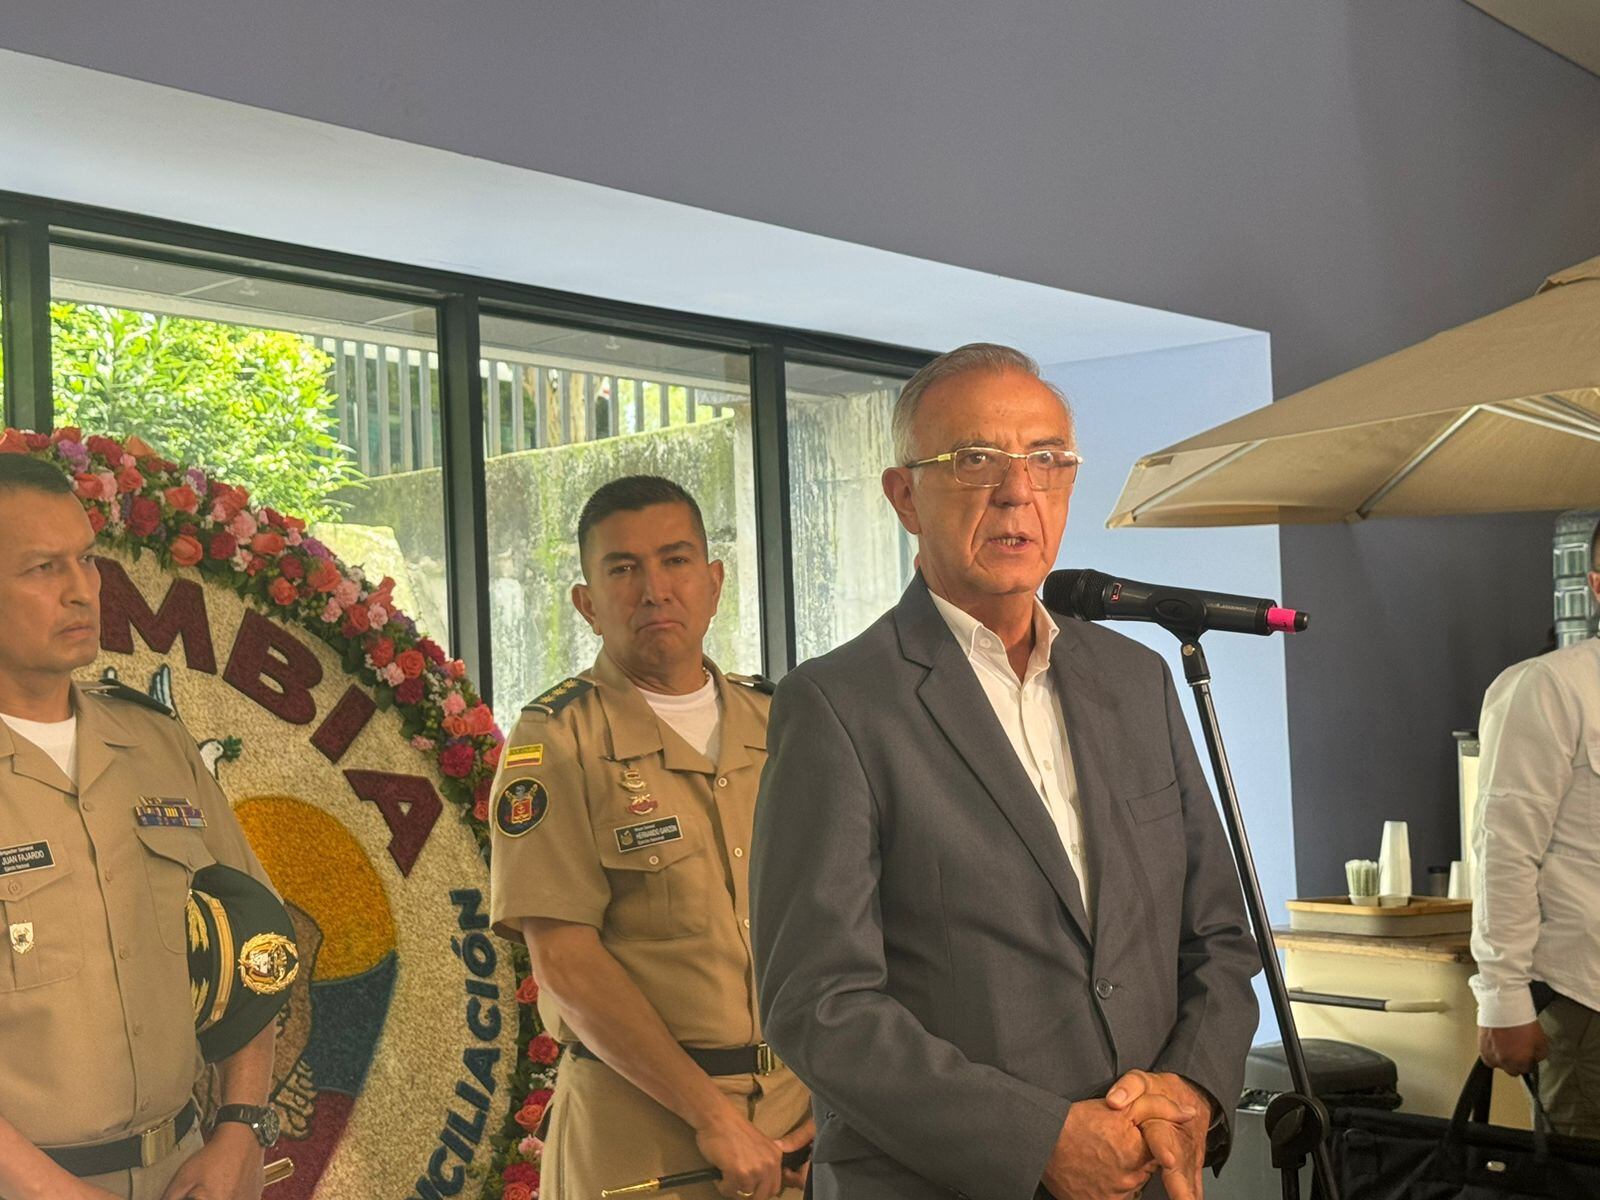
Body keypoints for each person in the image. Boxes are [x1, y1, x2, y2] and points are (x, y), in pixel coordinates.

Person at [750, 344, 1261, 1200]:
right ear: (903, 496)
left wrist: (1190, 1091)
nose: (1017, 490)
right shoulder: (837, 705)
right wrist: (1040, 1141)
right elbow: (820, 1007)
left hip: (1145, 1175)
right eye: (974, 459)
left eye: (1048, 460)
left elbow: (1216, 934)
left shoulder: (1136, 683)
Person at [488, 475, 813, 1200]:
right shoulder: (556, 740)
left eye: (675, 561)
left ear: (714, 580)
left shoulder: (786, 725)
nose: (653, 589)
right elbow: (565, 962)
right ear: (587, 603)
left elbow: (842, 924)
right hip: (640, 1138)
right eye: (623, 569)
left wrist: (836, 1098)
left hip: (798, 1128)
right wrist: (712, 1116)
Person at [0, 454, 279, 1200]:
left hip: (186, 1171)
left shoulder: (156, 744)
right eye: (41, 568)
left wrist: (240, 1127)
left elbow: (251, 949)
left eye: (86, 560)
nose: (82, 590)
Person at [1472, 518, 1600, 1138]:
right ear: (1599, 585)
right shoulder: (1551, 686)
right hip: (1587, 1006)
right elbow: (1505, 850)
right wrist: (1503, 998)